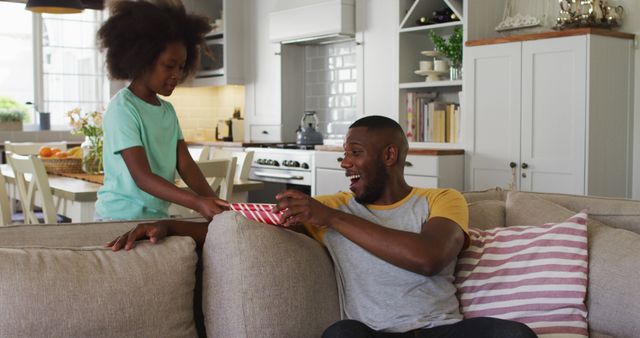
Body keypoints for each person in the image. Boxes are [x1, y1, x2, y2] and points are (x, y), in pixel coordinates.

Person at [107, 116, 537, 338]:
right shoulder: (328, 208)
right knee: (340, 334)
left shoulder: (439, 199)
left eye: (354, 152)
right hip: (373, 336)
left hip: (442, 333)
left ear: (389, 155)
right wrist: (171, 225)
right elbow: (247, 223)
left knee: (512, 334)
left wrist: (330, 218)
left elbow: (428, 258)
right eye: (343, 153)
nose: (344, 162)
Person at [94, 1, 228, 221]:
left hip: (155, 219)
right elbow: (142, 177)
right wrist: (196, 202)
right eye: (169, 65)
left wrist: (215, 202)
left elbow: (185, 165)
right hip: (117, 219)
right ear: (143, 60)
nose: (177, 74)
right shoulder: (122, 108)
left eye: (181, 67)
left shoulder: (167, 110)